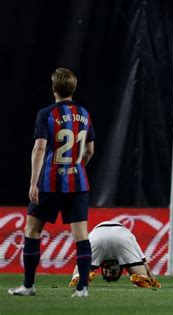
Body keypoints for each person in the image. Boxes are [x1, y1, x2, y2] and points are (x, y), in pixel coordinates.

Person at [8, 68, 95, 298]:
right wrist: (77, 165)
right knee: (81, 236)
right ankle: (83, 288)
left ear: (54, 88)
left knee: (32, 231)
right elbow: (89, 150)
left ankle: (28, 286)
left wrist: (33, 182)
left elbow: (39, 148)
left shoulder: (46, 113)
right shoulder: (84, 114)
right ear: (73, 88)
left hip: (50, 183)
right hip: (78, 182)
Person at [68, 221, 161, 289]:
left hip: (98, 235)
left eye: (108, 272)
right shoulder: (129, 234)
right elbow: (144, 262)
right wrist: (151, 279)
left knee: (81, 270)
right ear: (120, 269)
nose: (109, 270)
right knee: (144, 280)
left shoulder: (94, 234)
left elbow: (82, 257)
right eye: (113, 272)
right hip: (121, 236)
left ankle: (79, 277)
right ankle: (141, 278)